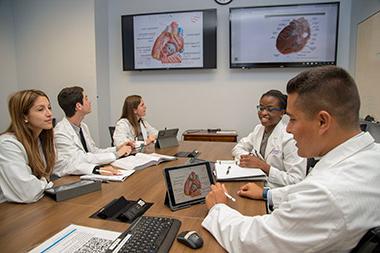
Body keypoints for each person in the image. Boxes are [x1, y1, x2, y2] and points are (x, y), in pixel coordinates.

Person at [202, 66, 380, 253]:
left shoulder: (328, 193)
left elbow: (255, 241)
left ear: (322, 122)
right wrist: (267, 195)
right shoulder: (371, 156)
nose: (288, 129)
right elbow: (306, 190)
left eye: (293, 119)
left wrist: (218, 208)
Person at [232, 90, 306, 188]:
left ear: (282, 112)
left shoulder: (290, 138)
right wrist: (249, 159)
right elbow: (238, 148)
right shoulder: (259, 129)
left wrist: (263, 166)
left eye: (270, 109)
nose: (263, 113)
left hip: (277, 194)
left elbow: (296, 180)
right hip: (256, 183)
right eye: (261, 108)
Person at [53, 86, 132, 177]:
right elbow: (79, 159)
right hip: (69, 178)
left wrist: (117, 148)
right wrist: (117, 154)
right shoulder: (60, 132)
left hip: (85, 174)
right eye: (86, 99)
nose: (89, 102)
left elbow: (94, 151)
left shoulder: (83, 126)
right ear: (78, 106)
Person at [0, 90, 55, 203]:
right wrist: (45, 181)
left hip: (35, 204)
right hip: (9, 210)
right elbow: (28, 193)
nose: (49, 113)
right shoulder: (7, 144)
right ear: (24, 116)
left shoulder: (41, 139)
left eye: (49, 107)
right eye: (41, 109)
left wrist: (41, 182)